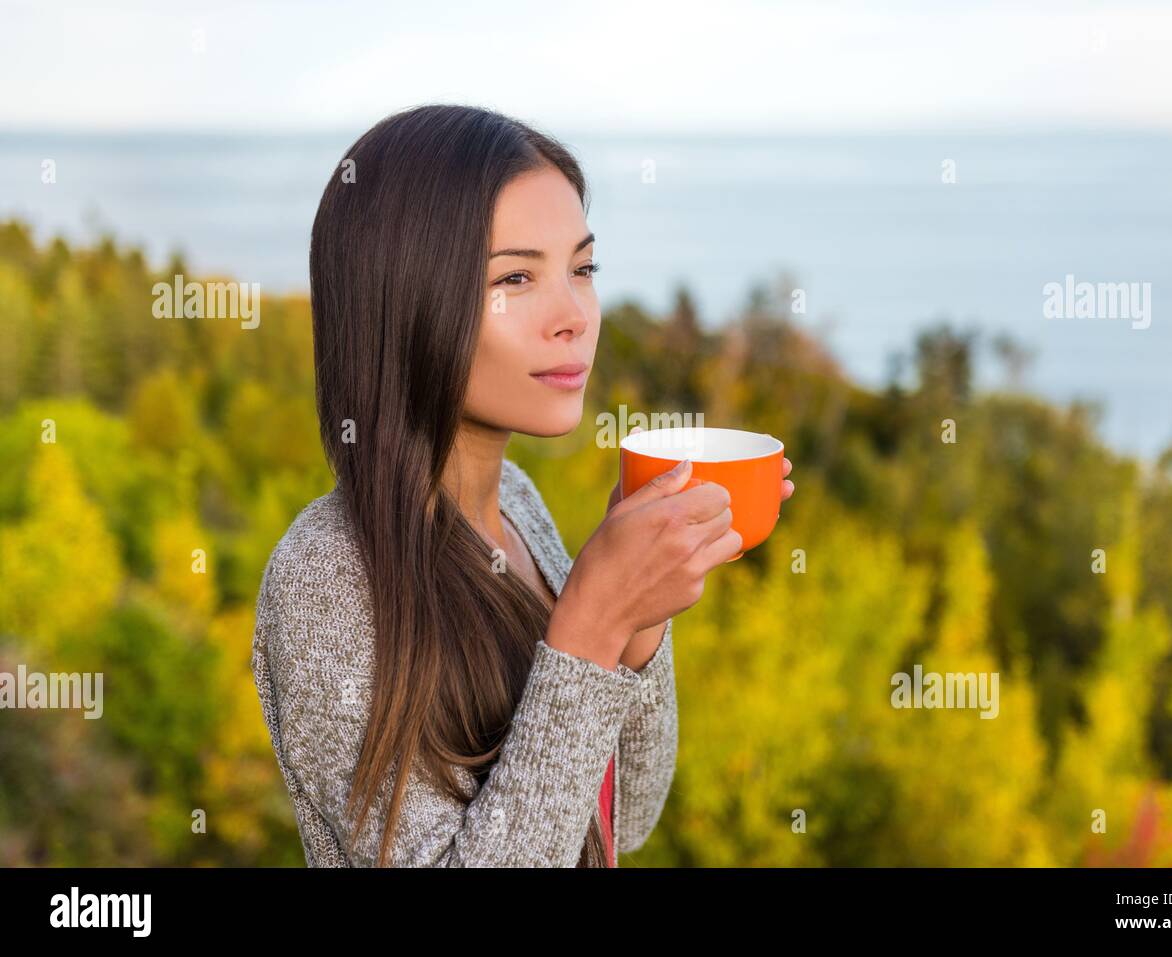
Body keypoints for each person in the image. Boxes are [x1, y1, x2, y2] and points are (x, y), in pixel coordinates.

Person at [250, 104, 794, 867]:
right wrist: (590, 623)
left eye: (582, 268)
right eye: (515, 277)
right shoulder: (327, 576)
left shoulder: (519, 504)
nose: (574, 315)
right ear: (406, 299)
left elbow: (619, 820)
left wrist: (639, 618)